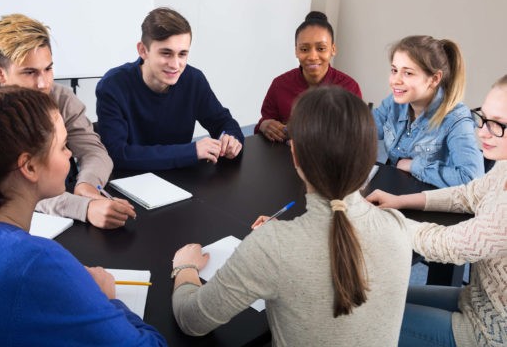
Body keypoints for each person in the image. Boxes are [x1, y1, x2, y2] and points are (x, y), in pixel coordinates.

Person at [171, 86, 414, 346]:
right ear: (371, 158)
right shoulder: (397, 226)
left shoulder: (271, 247)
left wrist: (185, 267)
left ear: (294, 154)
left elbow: (191, 320)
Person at [0, 86, 166, 346]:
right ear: (29, 166)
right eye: (62, 146)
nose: (70, 154)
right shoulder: (37, 262)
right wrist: (109, 299)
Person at [366, 76, 507, 346]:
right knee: (379, 297)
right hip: (475, 301)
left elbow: (447, 246)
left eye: (497, 124)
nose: (483, 132)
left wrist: (385, 219)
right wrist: (401, 201)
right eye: (484, 118)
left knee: (364, 313)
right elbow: (469, 194)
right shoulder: (503, 164)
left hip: (486, 334)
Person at [0, 13, 135, 229]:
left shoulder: (62, 98)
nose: (43, 83)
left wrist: (87, 185)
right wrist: (83, 208)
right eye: (29, 72)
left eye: (48, 69)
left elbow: (94, 151)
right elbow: (14, 191)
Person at [96, 7, 244, 171]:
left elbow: (222, 121)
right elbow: (118, 155)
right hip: (129, 182)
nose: (175, 65)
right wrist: (191, 151)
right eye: (166, 53)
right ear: (143, 50)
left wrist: (230, 138)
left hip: (181, 179)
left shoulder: (193, 80)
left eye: (182, 54)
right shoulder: (113, 85)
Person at [373, 35, 484, 188]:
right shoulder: (394, 102)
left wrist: (413, 166)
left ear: (434, 79)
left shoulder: (456, 119)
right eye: (394, 70)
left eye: (408, 73)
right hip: (393, 193)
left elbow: (472, 178)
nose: (395, 80)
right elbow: (363, 132)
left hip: (429, 205)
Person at [254, 11, 362, 142]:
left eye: (321, 48)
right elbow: (264, 123)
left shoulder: (349, 87)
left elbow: (355, 136)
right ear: (296, 51)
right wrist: (265, 125)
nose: (312, 57)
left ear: (333, 49)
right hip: (285, 157)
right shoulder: (280, 84)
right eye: (304, 49)